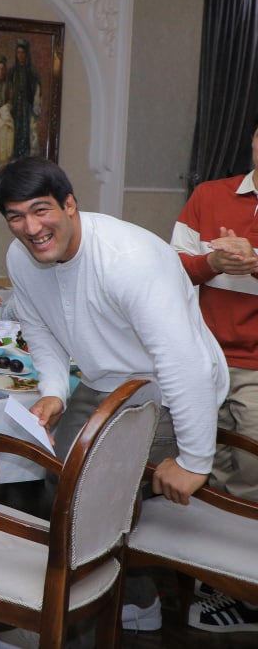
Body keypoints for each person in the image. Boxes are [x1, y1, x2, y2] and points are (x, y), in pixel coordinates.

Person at [0, 156, 229, 647]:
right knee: (51, 472)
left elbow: (181, 361)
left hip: (170, 389)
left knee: (88, 487)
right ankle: (137, 602)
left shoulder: (128, 257)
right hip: (105, 384)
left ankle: (68, 627)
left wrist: (194, 460)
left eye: (41, 210)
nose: (32, 228)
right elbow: (39, 328)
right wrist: (54, 391)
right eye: (16, 216)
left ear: (70, 204)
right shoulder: (22, 258)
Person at [171, 119, 258, 633]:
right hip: (201, 358)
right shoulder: (209, 195)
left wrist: (253, 263)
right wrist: (213, 262)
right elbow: (172, 268)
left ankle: (246, 597)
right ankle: (218, 572)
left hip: (256, 366)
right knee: (210, 469)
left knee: (249, 475)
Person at [7, 39, 42, 159]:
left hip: (27, 105)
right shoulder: (12, 71)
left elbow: (37, 87)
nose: (20, 55)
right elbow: (8, 87)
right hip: (15, 105)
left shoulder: (31, 71)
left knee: (26, 128)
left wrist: (35, 102)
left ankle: (25, 155)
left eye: (22, 52)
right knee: (15, 128)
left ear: (26, 54)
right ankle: (14, 153)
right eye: (18, 53)